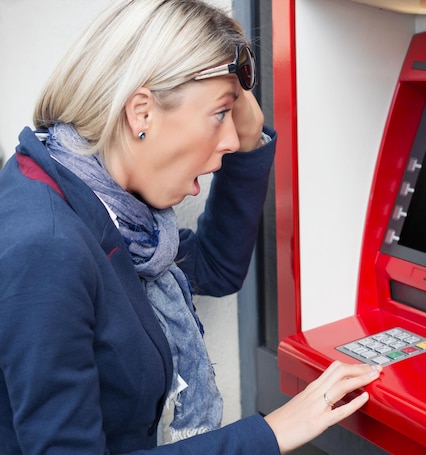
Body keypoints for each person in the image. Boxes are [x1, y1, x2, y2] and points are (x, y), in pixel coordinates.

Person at [0, 1, 382, 453]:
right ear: (141, 112)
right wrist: (272, 431)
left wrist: (250, 134)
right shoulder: (47, 246)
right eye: (221, 114)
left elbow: (215, 267)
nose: (231, 139)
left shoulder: (100, 200)